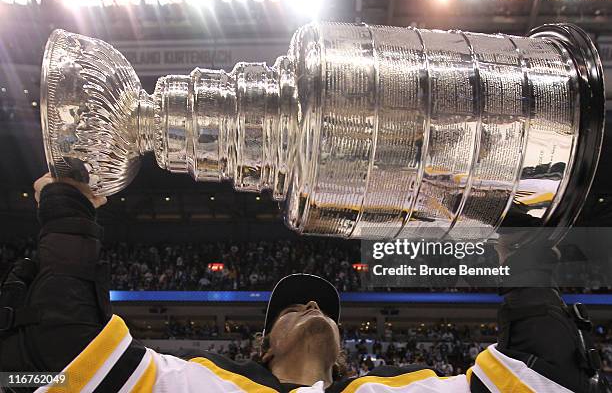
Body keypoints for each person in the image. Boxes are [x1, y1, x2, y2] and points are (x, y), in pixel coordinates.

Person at [0, 173, 610, 392]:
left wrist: (515, 253)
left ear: (344, 353)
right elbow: (67, 355)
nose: (314, 303)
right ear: (262, 347)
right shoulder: (202, 385)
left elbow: (544, 377)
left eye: (320, 307)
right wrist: (68, 207)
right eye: (293, 308)